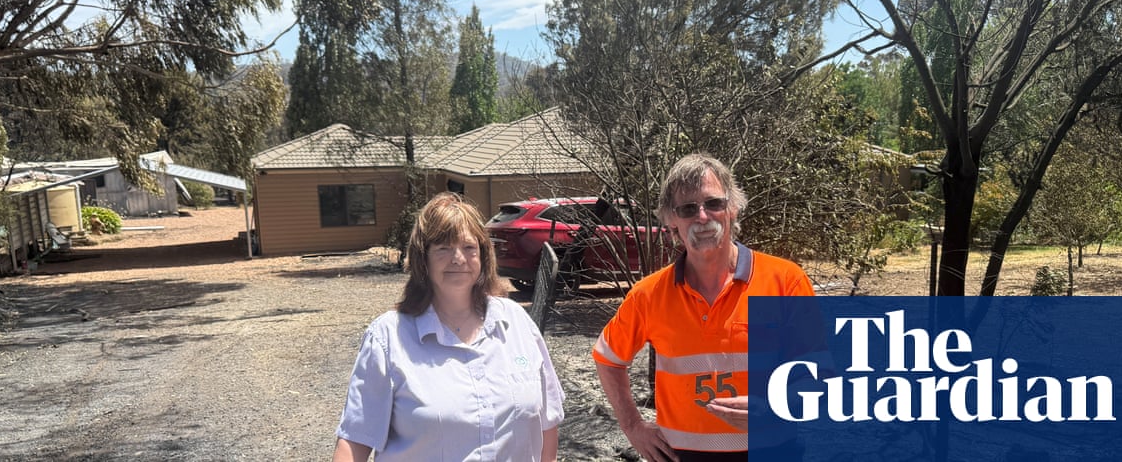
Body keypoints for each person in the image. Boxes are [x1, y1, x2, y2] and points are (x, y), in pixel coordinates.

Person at [592, 154, 815, 461]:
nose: (702, 216)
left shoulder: (785, 281)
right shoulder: (648, 295)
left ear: (733, 207)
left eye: (713, 204)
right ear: (672, 222)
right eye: (687, 208)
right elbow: (608, 359)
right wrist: (632, 426)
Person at [333, 192, 565, 461]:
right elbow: (355, 441)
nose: (458, 258)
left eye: (469, 247)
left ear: (483, 255)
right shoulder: (388, 338)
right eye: (443, 247)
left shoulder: (516, 323)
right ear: (423, 259)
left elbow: (547, 423)